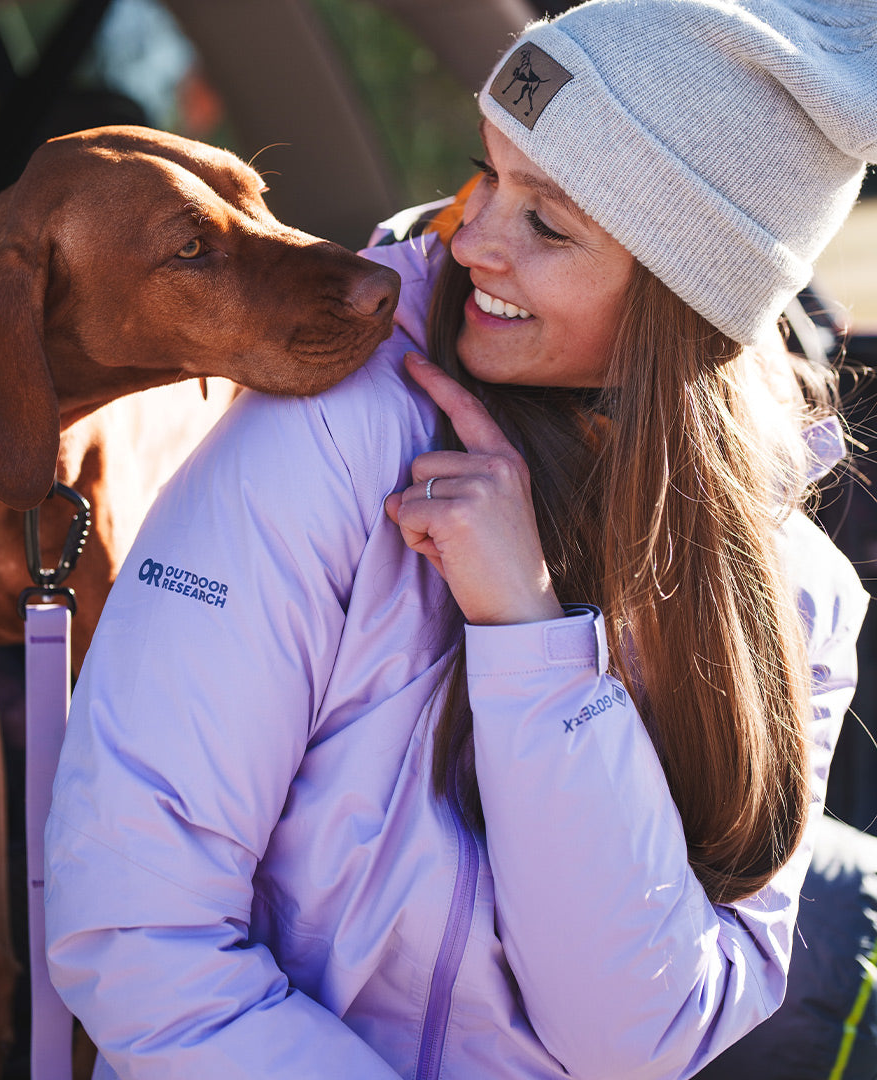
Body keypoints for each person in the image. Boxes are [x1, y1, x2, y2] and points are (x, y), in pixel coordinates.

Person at [44, 0, 875, 1076]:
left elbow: (632, 1039)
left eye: (549, 222)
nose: (470, 236)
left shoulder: (795, 592)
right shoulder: (335, 426)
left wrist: (531, 644)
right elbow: (134, 927)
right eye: (487, 173)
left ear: (689, 299)